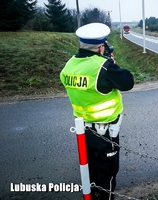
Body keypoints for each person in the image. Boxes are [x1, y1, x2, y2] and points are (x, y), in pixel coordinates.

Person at [60, 23, 134, 200]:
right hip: (105, 132)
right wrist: (110, 62)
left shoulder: (69, 66)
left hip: (83, 130)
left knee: (90, 169)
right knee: (107, 173)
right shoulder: (104, 67)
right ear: (101, 47)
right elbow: (127, 82)